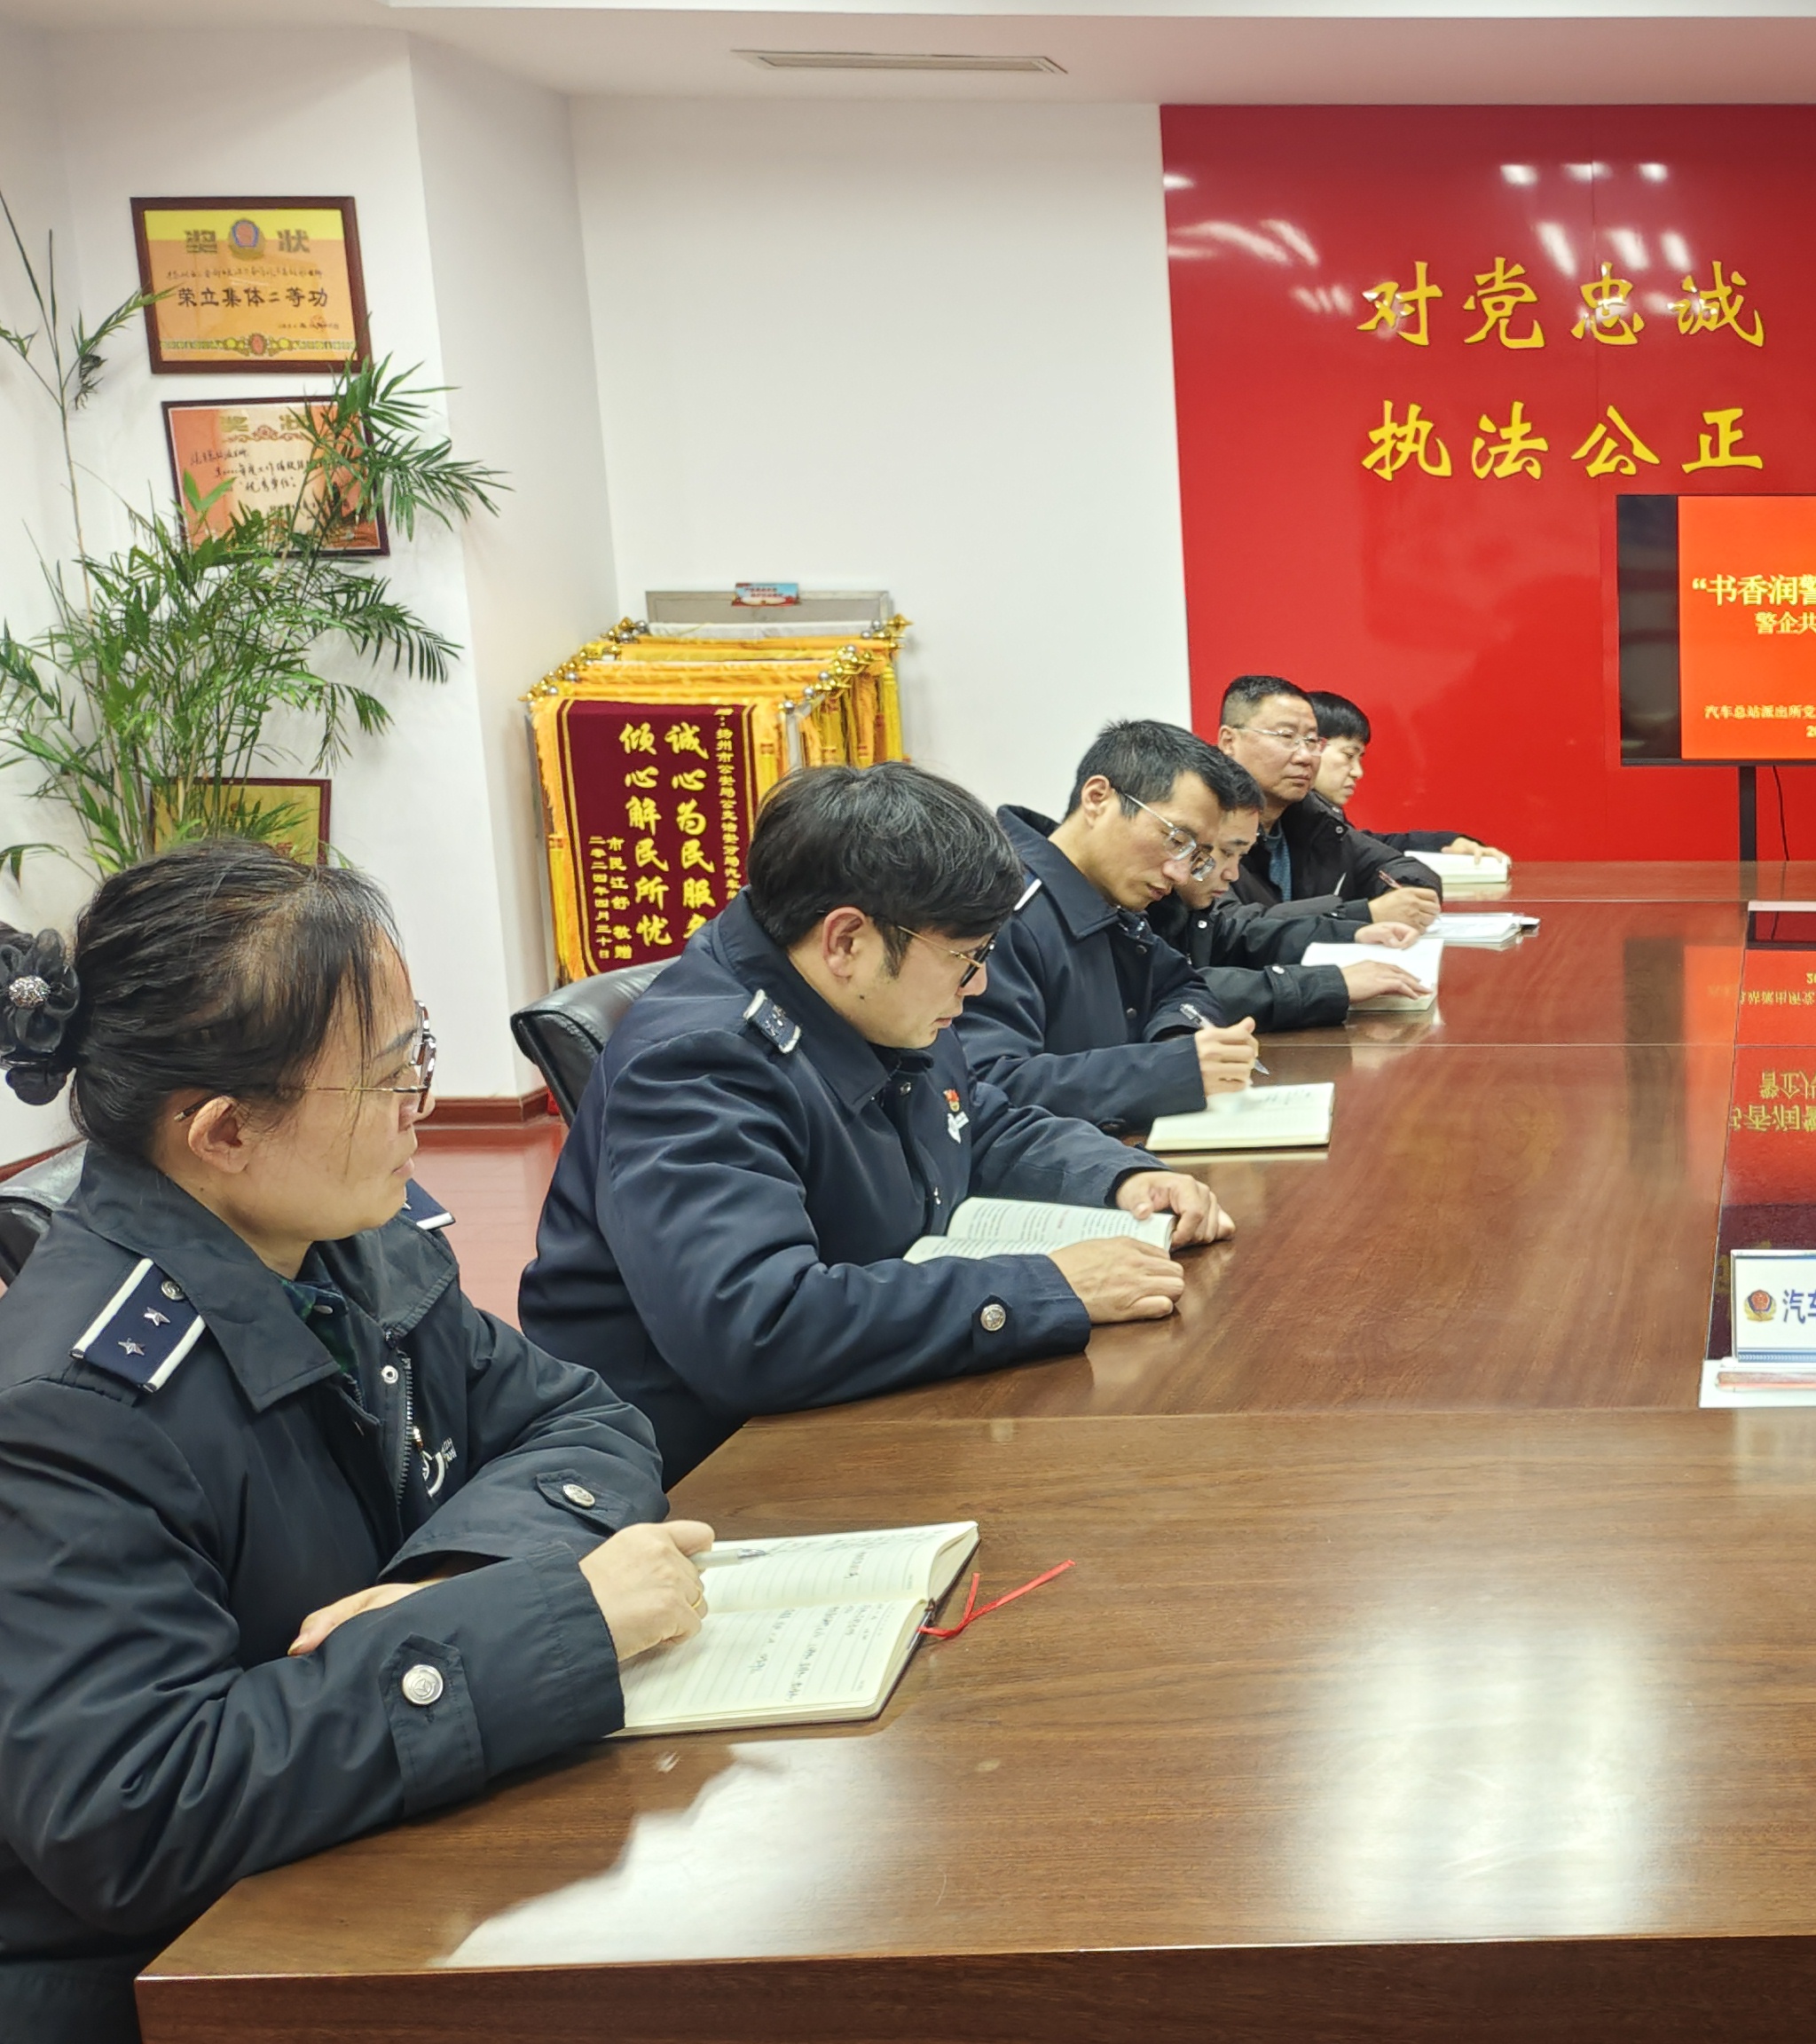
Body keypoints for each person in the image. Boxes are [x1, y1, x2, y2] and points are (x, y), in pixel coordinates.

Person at [0, 844, 711, 2043]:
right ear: (224, 1131)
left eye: (417, 1052)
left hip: (372, 1857)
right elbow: (135, 1811)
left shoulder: (342, 1238)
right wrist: (551, 1622)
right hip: (178, 1979)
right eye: (389, 1078)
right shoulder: (72, 1408)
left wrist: (451, 1582)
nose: (419, 1106)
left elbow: (577, 1420)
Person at [521, 763, 1227, 1482]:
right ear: (846, 940)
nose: (980, 983)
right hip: (711, 1470)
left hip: (863, 1400)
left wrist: (1117, 1175)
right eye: (966, 957)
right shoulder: (697, 1067)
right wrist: (1047, 1287)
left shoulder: (871, 999)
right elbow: (758, 1328)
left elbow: (970, 1116)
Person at [962, 720, 1426, 1130]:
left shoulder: (1109, 895)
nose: (1181, 873)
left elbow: (1182, 985)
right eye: (1176, 839)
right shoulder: (998, 911)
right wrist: (1166, 1071)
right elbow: (981, 1087)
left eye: (1197, 854)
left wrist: (1177, 1037)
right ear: (1098, 798)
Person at [1217, 674, 1439, 930]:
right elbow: (1226, 928)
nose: (1304, 756)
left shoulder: (1312, 818)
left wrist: (1408, 897)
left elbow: (1399, 866)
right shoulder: (1204, 823)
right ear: (1229, 742)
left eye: (1312, 741)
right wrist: (1363, 914)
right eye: (1286, 736)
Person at [1305, 689, 1496, 860]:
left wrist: (1449, 843)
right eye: (1348, 755)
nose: (1358, 772)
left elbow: (1370, 846)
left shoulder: (1323, 819)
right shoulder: (1297, 824)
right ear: (1312, 746)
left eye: (1359, 758)